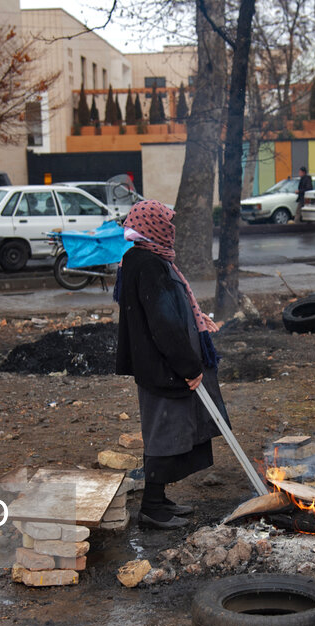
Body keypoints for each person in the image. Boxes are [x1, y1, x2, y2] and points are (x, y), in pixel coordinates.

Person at [115, 200, 227, 530]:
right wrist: (189, 367)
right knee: (164, 433)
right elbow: (162, 323)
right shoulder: (148, 264)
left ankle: (159, 499)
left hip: (162, 365)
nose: (172, 229)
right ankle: (151, 507)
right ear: (152, 226)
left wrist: (197, 320)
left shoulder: (146, 258)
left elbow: (170, 309)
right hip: (163, 367)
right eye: (167, 222)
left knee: (171, 430)